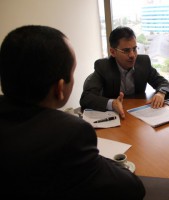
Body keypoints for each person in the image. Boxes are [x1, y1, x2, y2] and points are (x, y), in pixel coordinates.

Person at [0, 25, 145, 199]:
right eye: (73, 71)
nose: (132, 54)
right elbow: (132, 188)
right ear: (60, 88)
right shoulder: (71, 133)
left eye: (135, 49)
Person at [80, 26, 169, 118]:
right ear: (112, 52)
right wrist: (112, 104)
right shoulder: (103, 67)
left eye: (135, 49)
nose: (132, 55)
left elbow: (163, 83)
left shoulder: (143, 62)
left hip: (138, 115)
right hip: (115, 117)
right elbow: (86, 97)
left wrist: (161, 93)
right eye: (126, 50)